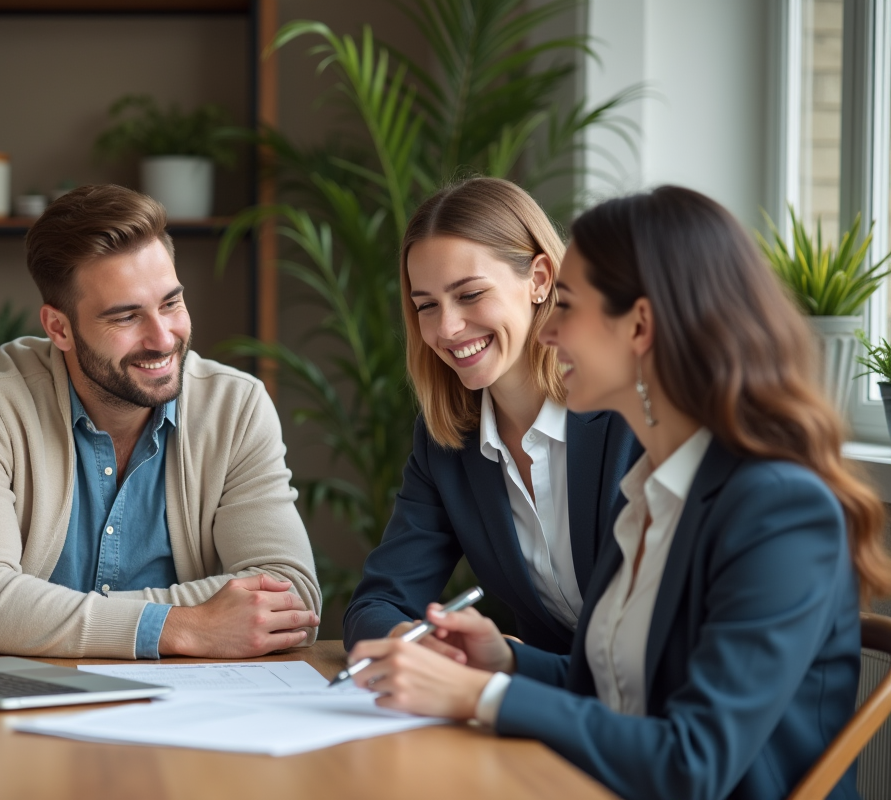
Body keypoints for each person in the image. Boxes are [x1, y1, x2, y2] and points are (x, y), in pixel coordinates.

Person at [347, 186, 891, 800]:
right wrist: (508, 662)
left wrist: (485, 695)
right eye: (426, 304)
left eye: (568, 306)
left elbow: (693, 760)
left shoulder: (778, 509)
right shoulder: (656, 490)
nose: (549, 332)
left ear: (639, 326)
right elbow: (627, 695)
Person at [0, 184, 321, 660]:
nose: (163, 339)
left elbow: (291, 596)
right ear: (59, 328)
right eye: (127, 317)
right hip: (36, 697)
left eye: (170, 303)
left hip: (189, 695)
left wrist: (38, 615)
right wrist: (180, 626)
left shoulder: (236, 407)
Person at [343, 177, 640, 654]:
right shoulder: (446, 444)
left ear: (540, 280)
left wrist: (510, 664)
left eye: (470, 294)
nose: (446, 328)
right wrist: (410, 644)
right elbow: (377, 603)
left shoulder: (631, 411)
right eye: (426, 306)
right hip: (539, 696)